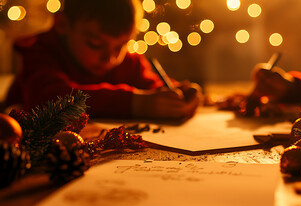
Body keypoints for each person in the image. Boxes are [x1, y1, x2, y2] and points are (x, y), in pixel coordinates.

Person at [5, 0, 201, 119]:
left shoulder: (128, 62)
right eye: (95, 44)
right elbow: (49, 99)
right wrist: (135, 103)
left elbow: (154, 88)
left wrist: (179, 95)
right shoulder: (40, 52)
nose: (110, 58)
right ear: (63, 25)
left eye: (120, 46)